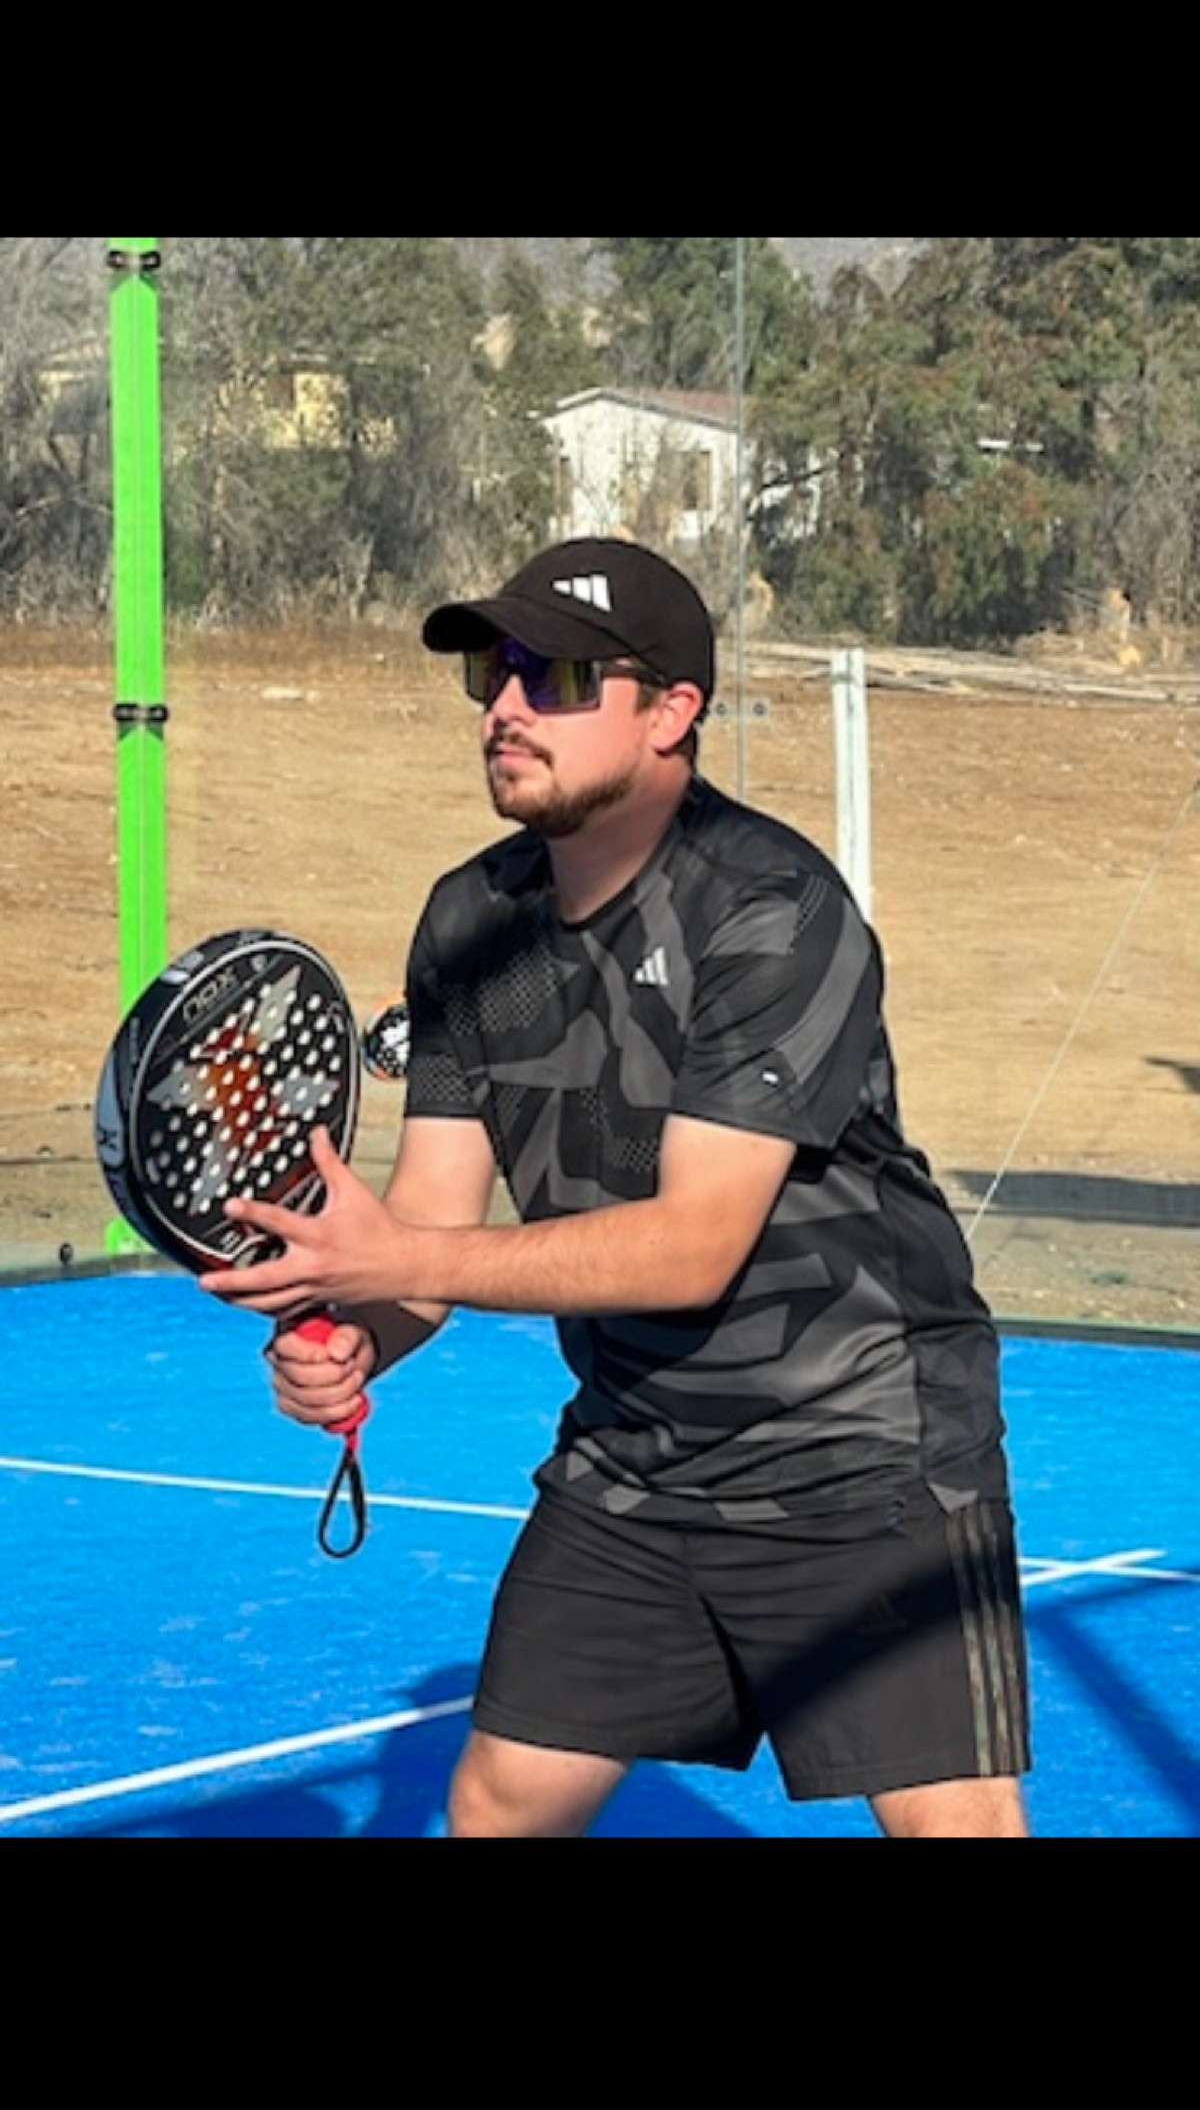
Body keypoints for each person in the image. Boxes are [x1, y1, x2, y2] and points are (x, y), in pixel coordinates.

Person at [201, 536, 1032, 1838]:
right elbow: (428, 1230)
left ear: (671, 712)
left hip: (863, 1458)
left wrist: (394, 1265)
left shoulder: (772, 907)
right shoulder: (467, 924)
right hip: (632, 1464)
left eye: (560, 676)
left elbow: (693, 1246)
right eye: (494, 670)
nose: (507, 704)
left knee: (953, 1823)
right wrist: (359, 1334)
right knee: (498, 1803)